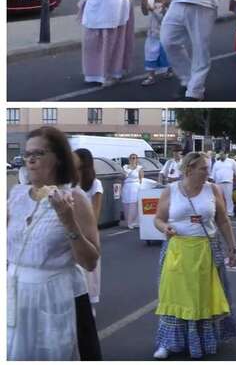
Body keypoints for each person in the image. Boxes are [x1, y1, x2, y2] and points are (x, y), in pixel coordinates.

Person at [7, 127, 100, 360]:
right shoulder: (16, 195)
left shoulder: (74, 198)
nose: (30, 160)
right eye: (27, 154)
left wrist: (68, 222)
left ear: (58, 158)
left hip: (55, 297)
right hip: (15, 294)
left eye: (38, 153)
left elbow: (90, 261)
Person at [152, 152, 236, 359]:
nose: (207, 173)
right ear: (189, 169)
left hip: (206, 250)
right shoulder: (170, 190)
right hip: (177, 250)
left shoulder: (213, 189)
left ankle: (200, 341)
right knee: (173, 295)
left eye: (208, 168)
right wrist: (165, 228)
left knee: (203, 297)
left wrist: (233, 248)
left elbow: (223, 220)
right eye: (203, 169)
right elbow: (158, 219)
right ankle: (167, 343)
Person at [72, 148, 104, 360]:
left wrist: (79, 222)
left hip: (85, 233)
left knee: (89, 277)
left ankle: (89, 309)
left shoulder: (95, 184)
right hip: (71, 234)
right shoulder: (71, 183)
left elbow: (95, 213)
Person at [142, 0, 174, 86]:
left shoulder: (168, 7)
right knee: (151, 55)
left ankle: (169, 69)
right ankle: (151, 76)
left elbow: (162, 19)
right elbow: (144, 12)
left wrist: (153, 11)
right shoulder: (151, 2)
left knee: (165, 54)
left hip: (163, 36)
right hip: (152, 35)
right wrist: (144, 3)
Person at [211, 152, 236, 217]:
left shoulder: (231, 161)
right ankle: (219, 212)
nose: (221, 155)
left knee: (228, 198)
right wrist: (211, 182)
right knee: (219, 198)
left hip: (228, 182)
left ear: (226, 154)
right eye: (220, 154)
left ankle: (230, 212)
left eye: (223, 154)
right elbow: (212, 174)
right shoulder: (216, 163)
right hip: (218, 183)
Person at [122, 153, 144, 229]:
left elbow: (141, 179)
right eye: (131, 158)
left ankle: (133, 222)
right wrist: (127, 171)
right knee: (126, 204)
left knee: (134, 204)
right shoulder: (125, 167)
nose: (133, 159)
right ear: (129, 159)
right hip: (127, 186)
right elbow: (124, 176)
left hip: (135, 186)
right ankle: (128, 221)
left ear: (137, 159)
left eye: (134, 158)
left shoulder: (139, 168)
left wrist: (141, 187)